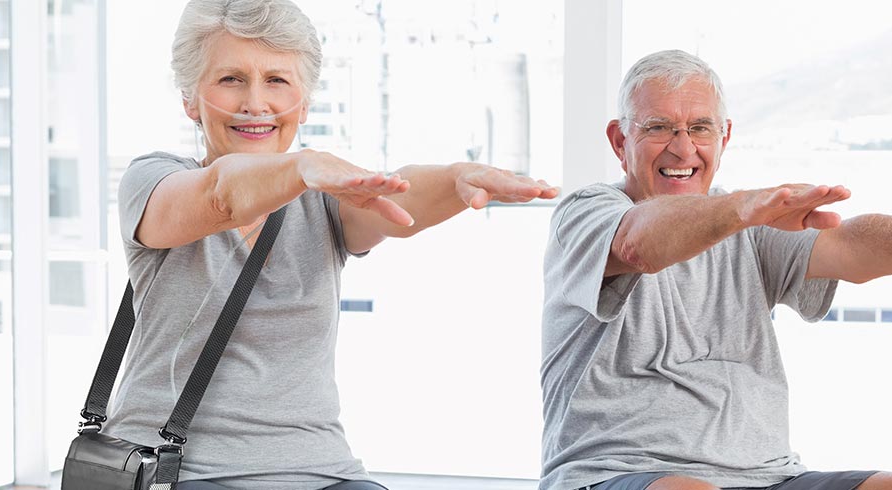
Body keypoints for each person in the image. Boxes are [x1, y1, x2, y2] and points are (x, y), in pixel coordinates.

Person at [540, 49, 892, 490]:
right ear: (619, 141)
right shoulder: (588, 213)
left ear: (724, 137)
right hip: (618, 473)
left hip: (770, 477)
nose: (684, 148)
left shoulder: (745, 222)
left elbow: (851, 246)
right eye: (659, 128)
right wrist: (743, 210)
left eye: (700, 128)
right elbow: (638, 243)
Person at [104, 1, 559, 489]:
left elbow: (393, 197)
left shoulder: (319, 200)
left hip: (320, 470)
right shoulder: (153, 180)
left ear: (304, 102)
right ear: (191, 100)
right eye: (231, 79)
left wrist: (454, 178)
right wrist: (302, 166)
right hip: (174, 469)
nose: (255, 103)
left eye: (277, 81)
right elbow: (222, 195)